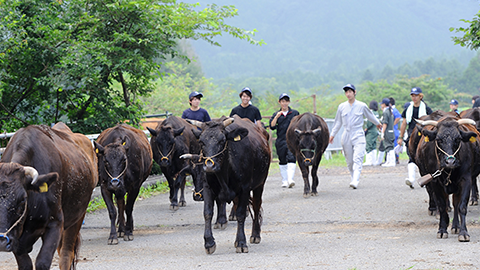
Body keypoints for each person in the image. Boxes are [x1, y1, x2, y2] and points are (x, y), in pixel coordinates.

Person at [329, 84, 382, 189]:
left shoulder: (361, 105)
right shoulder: (342, 107)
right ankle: (353, 177)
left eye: (350, 91)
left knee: (358, 158)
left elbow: (370, 115)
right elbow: (338, 122)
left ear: (354, 92)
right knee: (349, 160)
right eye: (346, 92)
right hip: (346, 134)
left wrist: (377, 123)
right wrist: (332, 135)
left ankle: (355, 180)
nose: (348, 94)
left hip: (358, 133)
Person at [398, 87, 433, 189]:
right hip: (411, 136)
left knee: (425, 158)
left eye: (416, 95)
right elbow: (404, 123)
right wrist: (401, 137)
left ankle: (426, 179)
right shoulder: (408, 109)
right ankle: (411, 179)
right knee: (411, 156)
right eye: (412, 95)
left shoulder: (426, 109)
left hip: (423, 135)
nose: (414, 97)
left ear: (420, 96)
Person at [269, 93, 300, 188]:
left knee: (292, 158)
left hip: (292, 140)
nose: (284, 103)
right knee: (282, 160)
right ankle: (284, 180)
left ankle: (290, 179)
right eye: (283, 101)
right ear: (279, 102)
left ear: (289, 102)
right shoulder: (276, 114)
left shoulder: (295, 113)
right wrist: (277, 117)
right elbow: (272, 126)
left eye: (286, 101)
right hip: (281, 140)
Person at [363, 100, 379, 166]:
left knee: (369, 145)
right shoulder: (376, 113)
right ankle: (374, 161)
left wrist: (366, 128)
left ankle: (368, 161)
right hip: (375, 130)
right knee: (373, 146)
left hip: (370, 131)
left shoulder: (371, 112)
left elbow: (370, 122)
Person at [380, 98, 396, 167]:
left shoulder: (386, 112)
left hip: (387, 132)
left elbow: (385, 123)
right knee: (389, 147)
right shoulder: (390, 111)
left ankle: (391, 162)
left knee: (389, 147)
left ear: (384, 104)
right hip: (391, 131)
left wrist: (382, 132)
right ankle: (388, 161)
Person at [389, 97, 402, 164]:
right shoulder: (391, 110)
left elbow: (398, 117)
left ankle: (396, 158)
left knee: (394, 144)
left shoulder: (394, 110)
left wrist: (392, 125)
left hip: (394, 130)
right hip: (392, 130)